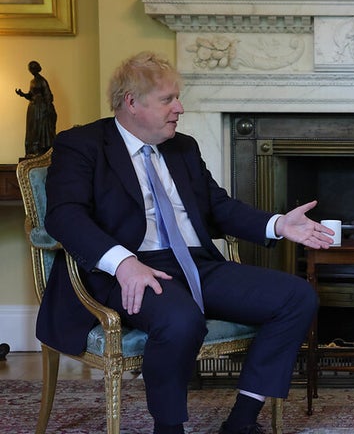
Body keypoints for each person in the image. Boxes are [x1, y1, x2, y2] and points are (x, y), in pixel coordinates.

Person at [37, 51, 335, 434]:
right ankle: (169, 427)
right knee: (180, 320)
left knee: (297, 297)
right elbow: (64, 215)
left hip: (195, 262)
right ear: (131, 102)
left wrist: (277, 225)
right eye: (167, 99)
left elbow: (218, 207)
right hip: (127, 267)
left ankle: (242, 422)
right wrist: (124, 264)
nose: (179, 107)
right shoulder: (82, 144)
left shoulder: (183, 147)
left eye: (177, 97)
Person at [15, 60, 57, 157]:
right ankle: (32, 150)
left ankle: (41, 149)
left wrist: (47, 108)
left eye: (33, 67)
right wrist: (23, 94)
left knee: (40, 128)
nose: (31, 70)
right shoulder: (32, 81)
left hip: (41, 108)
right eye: (30, 68)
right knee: (32, 128)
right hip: (33, 108)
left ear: (37, 68)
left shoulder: (42, 81)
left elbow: (48, 95)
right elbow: (31, 95)